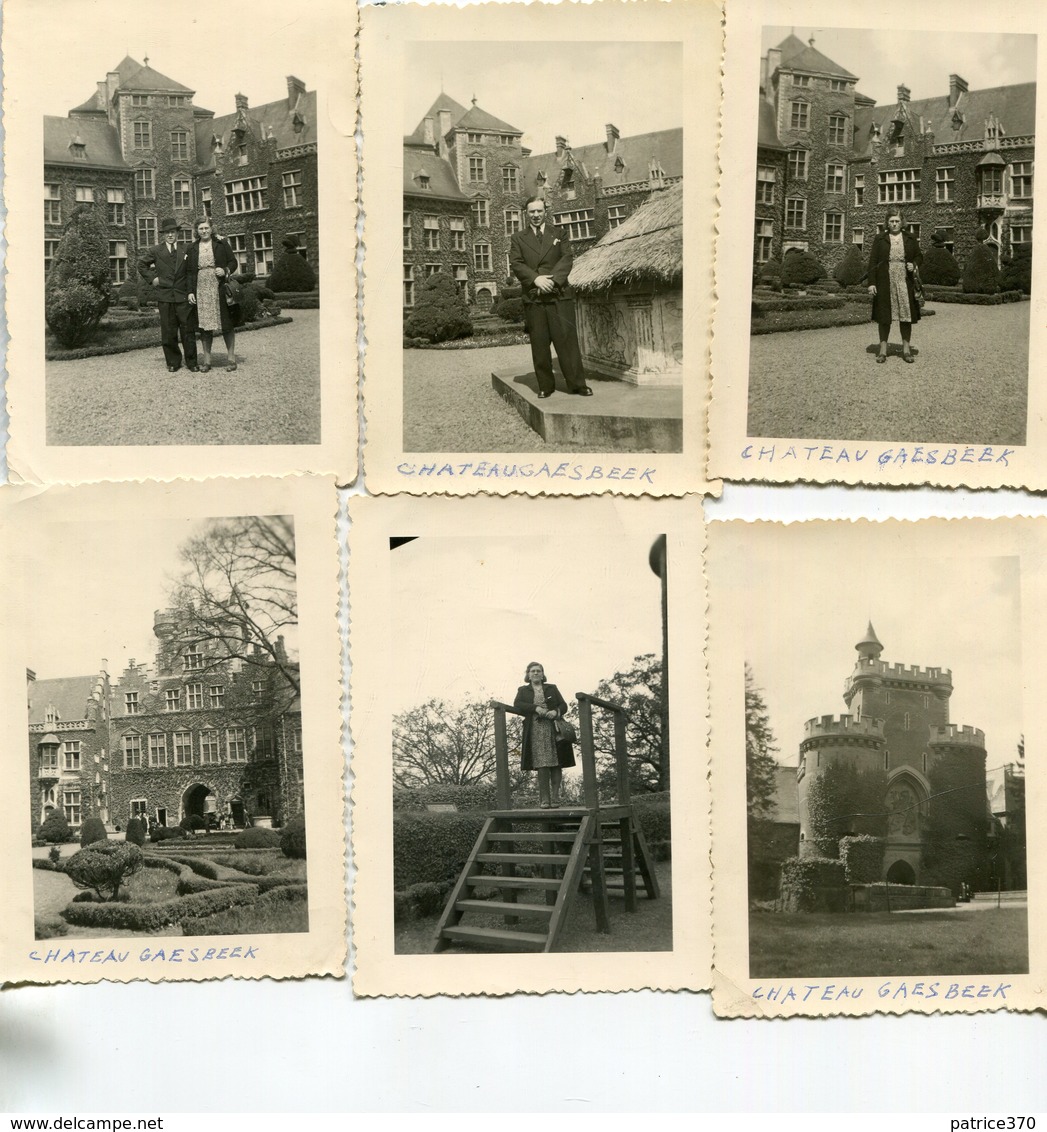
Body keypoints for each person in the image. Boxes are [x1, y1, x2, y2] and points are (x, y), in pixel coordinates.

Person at [509, 197, 592, 398]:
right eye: (531, 212)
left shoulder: (559, 233)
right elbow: (517, 263)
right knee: (539, 343)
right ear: (526, 214)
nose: (536, 215)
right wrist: (536, 279)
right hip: (534, 297)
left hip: (559, 294)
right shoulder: (518, 238)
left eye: (539, 211)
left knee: (567, 341)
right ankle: (546, 386)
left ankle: (577, 384)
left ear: (545, 211)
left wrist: (553, 281)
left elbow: (566, 258)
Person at [136, 217, 198, 374]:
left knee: (188, 331)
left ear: (177, 233)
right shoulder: (156, 251)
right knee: (169, 332)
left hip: (183, 296)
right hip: (165, 297)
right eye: (167, 233)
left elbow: (191, 272)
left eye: (173, 232)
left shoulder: (187, 249)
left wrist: (190, 291)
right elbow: (141, 264)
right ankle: (173, 362)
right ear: (163, 235)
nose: (170, 235)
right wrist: (153, 279)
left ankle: (192, 362)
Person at [514, 661, 576, 808]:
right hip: (536, 729)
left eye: (538, 671)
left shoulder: (551, 688)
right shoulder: (523, 690)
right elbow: (518, 704)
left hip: (555, 728)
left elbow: (563, 705)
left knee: (556, 762)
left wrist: (556, 711)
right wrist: (535, 708)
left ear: (543, 674)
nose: (536, 673)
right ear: (528, 675)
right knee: (542, 763)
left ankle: (555, 798)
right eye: (533, 671)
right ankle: (544, 799)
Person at [185, 217, 242, 372]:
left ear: (211, 229)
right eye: (201, 228)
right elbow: (189, 272)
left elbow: (233, 262)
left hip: (219, 286)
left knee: (226, 323)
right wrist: (190, 291)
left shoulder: (221, 243)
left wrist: (225, 270)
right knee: (204, 325)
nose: (204, 231)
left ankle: (231, 359)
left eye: (206, 228)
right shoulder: (192, 248)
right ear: (196, 231)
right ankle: (207, 361)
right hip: (201, 287)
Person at [867, 208, 923, 364]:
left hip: (905, 281)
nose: (894, 224)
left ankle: (906, 350)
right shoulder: (880, 239)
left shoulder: (910, 238)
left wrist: (915, 264)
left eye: (897, 221)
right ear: (887, 222)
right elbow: (872, 262)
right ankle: (882, 351)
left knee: (906, 316)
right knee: (884, 317)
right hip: (885, 280)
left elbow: (919, 256)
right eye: (891, 221)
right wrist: (871, 283)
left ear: (902, 222)